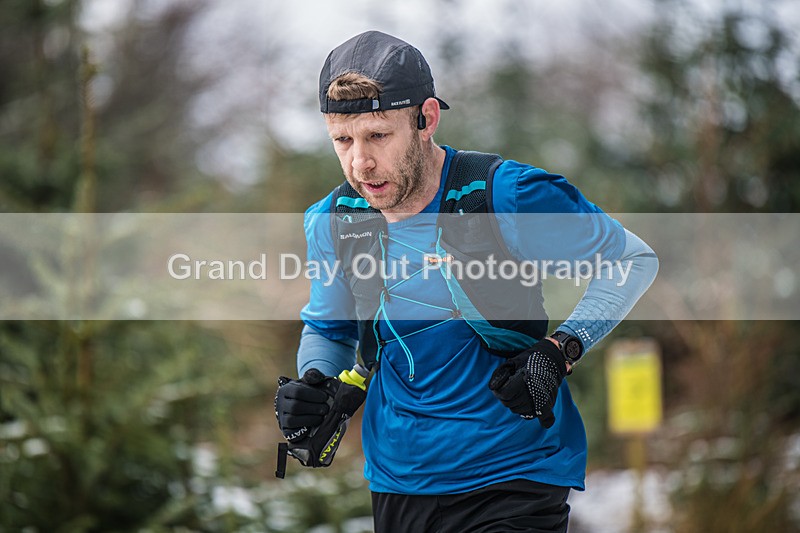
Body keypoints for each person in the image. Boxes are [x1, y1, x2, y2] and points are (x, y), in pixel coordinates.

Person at [275, 30, 658, 532]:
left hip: (513, 472)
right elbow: (330, 330)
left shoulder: (507, 195)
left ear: (426, 119)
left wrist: (563, 346)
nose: (360, 163)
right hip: (400, 479)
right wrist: (316, 386)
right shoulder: (333, 219)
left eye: (378, 136)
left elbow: (632, 259)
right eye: (343, 141)